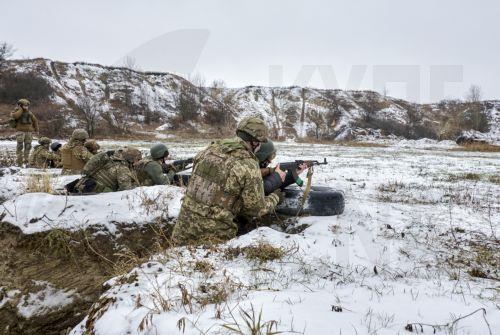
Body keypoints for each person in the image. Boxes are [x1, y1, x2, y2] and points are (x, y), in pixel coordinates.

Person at [171, 117, 280, 245]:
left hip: (181, 232)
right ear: (255, 142)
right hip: (213, 240)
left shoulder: (209, 150)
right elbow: (256, 210)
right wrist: (275, 197)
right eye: (260, 142)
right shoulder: (248, 164)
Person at [75, 147, 142, 193]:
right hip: (93, 191)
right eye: (138, 159)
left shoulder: (111, 159)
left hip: (82, 184)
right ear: (132, 159)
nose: (139, 162)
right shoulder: (123, 168)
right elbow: (126, 190)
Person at [10, 99, 39, 166]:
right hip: (20, 132)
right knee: (20, 147)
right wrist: (20, 109)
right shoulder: (16, 111)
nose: (26, 107)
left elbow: (35, 121)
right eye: (24, 106)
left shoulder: (29, 113)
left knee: (28, 147)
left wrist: (37, 130)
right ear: (20, 105)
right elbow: (15, 116)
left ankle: (26, 161)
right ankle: (19, 162)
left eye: (27, 106)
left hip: (29, 132)